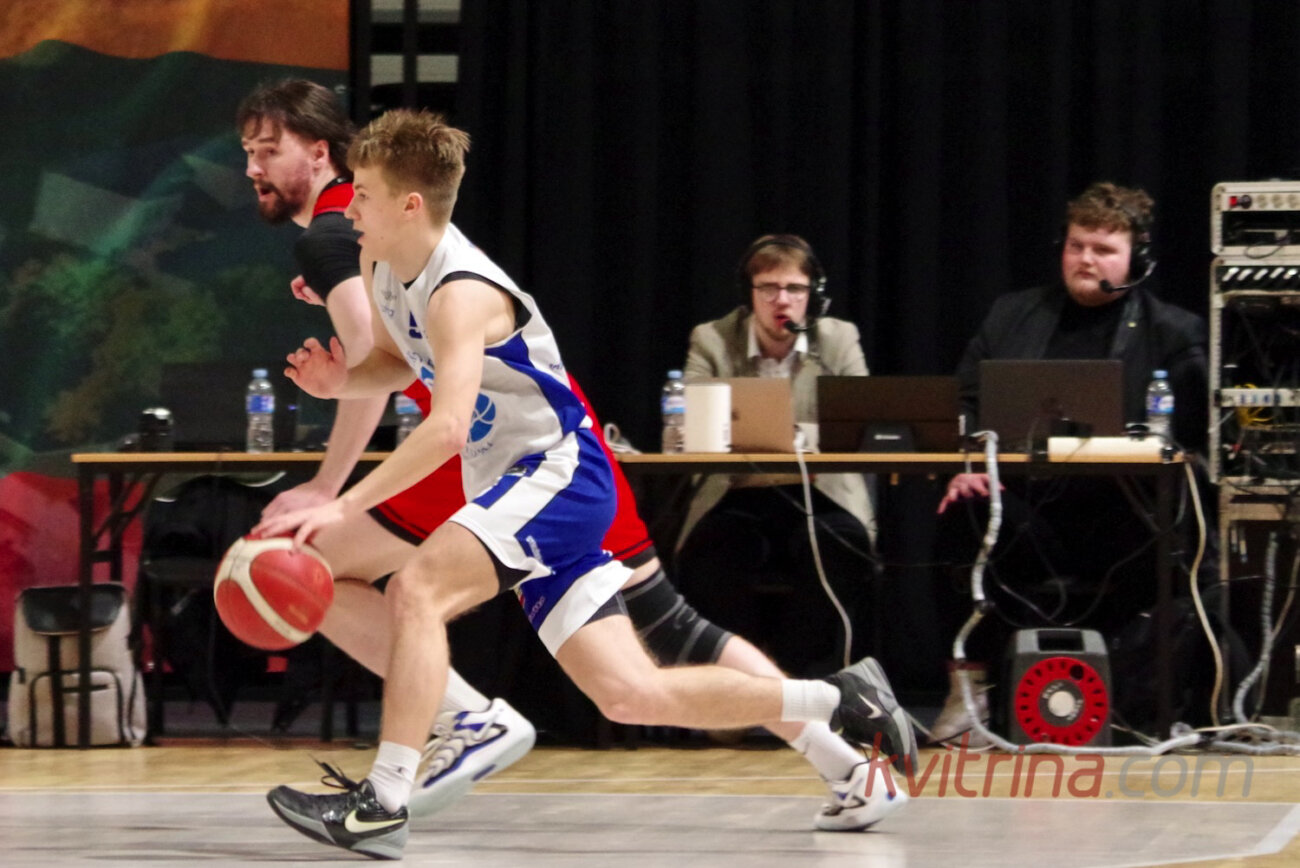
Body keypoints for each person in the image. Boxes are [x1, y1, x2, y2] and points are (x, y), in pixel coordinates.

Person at [238, 79, 909, 833]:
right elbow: (395, 363)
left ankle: (383, 799)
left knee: (418, 590)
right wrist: (342, 382)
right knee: (629, 693)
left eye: (362, 194)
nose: (349, 207)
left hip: (557, 474)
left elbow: (447, 428)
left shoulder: (461, 291)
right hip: (516, 484)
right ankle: (839, 699)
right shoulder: (382, 267)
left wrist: (341, 500)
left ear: (409, 205)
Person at [932, 181, 1208, 742]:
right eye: (1077, 245)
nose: (1086, 259)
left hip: (1126, 519)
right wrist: (967, 463)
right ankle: (970, 691)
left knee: (1172, 542)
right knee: (963, 509)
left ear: (1137, 259)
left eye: (1103, 249)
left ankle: (1138, 699)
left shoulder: (1175, 332)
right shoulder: (1011, 315)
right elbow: (963, 404)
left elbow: (1198, 436)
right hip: (1027, 507)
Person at [676, 235, 878, 678]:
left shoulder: (838, 338)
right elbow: (689, 420)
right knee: (713, 549)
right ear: (749, 293)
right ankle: (740, 679)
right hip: (736, 491)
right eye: (768, 288)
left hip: (820, 492)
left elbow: (860, 419)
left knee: (838, 544)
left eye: (794, 289)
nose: (781, 301)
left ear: (813, 295)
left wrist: (790, 435)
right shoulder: (712, 339)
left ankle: (800, 677)